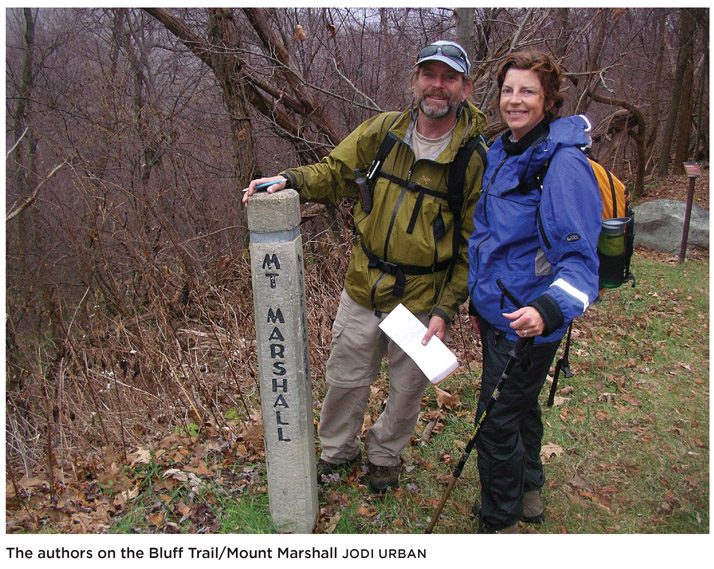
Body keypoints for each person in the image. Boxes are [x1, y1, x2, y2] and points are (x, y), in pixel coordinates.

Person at [244, 41, 487, 493]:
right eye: (429, 74)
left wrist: (446, 308)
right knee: (344, 379)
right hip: (364, 283)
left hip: (423, 297)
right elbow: (334, 172)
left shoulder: (474, 159)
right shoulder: (383, 132)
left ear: (465, 88)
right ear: (415, 81)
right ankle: (337, 452)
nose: (437, 85)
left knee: (407, 388)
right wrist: (290, 179)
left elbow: (472, 246)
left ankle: (384, 456)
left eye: (449, 77)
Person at [467, 51, 602, 532]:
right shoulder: (506, 150)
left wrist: (547, 309)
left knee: (495, 423)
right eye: (508, 90)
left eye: (528, 91)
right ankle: (527, 492)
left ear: (548, 100)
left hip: (527, 321)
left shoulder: (562, 165)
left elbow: (584, 267)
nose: (515, 100)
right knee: (518, 408)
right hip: (498, 313)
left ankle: (498, 520)